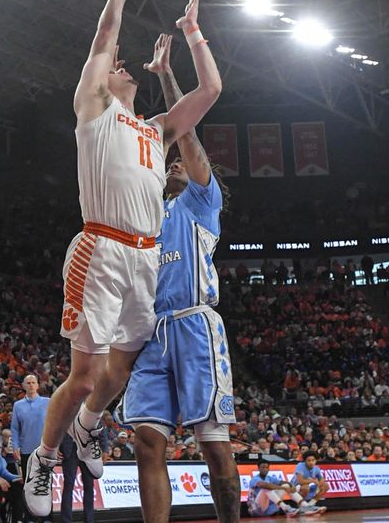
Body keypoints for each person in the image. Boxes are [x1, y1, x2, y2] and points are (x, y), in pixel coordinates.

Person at [23, 0, 223, 518]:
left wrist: (192, 31)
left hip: (145, 260)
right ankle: (42, 457)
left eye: (120, 63)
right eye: (114, 64)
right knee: (84, 375)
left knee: (123, 366)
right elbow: (102, 43)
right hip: (102, 248)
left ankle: (87, 429)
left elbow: (211, 89)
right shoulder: (95, 111)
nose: (121, 63)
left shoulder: (155, 130)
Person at [120, 31, 237, 523]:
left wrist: (167, 76)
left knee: (214, 452)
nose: (175, 165)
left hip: (195, 326)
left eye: (181, 166)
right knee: (147, 443)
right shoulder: (150, 211)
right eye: (170, 165)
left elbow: (184, 132)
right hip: (152, 332)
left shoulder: (200, 204)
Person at [11, 375, 49, 522]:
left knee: (45, 484)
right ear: (23, 386)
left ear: (38, 385)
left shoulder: (48, 402)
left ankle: (46, 516)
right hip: (27, 450)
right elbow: (14, 428)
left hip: (45, 450)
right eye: (28, 383)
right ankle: (30, 517)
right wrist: (15, 446)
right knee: (29, 486)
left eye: (34, 382)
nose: (31, 385)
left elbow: (54, 424)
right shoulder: (18, 405)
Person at [247, 460, 312, 517]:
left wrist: (291, 485)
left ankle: (306, 506)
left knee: (286, 485)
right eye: (263, 467)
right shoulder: (255, 479)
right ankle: (286, 508)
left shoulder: (269, 478)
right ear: (258, 469)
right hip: (256, 509)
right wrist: (283, 488)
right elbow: (267, 486)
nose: (265, 469)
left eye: (267, 467)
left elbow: (282, 482)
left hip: (268, 508)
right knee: (267, 488)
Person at [60, 433, 94, 523]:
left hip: (88, 450)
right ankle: (66, 520)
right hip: (70, 450)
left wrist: (105, 448)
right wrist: (55, 446)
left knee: (89, 487)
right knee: (68, 486)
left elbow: (99, 425)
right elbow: (58, 427)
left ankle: (89, 519)